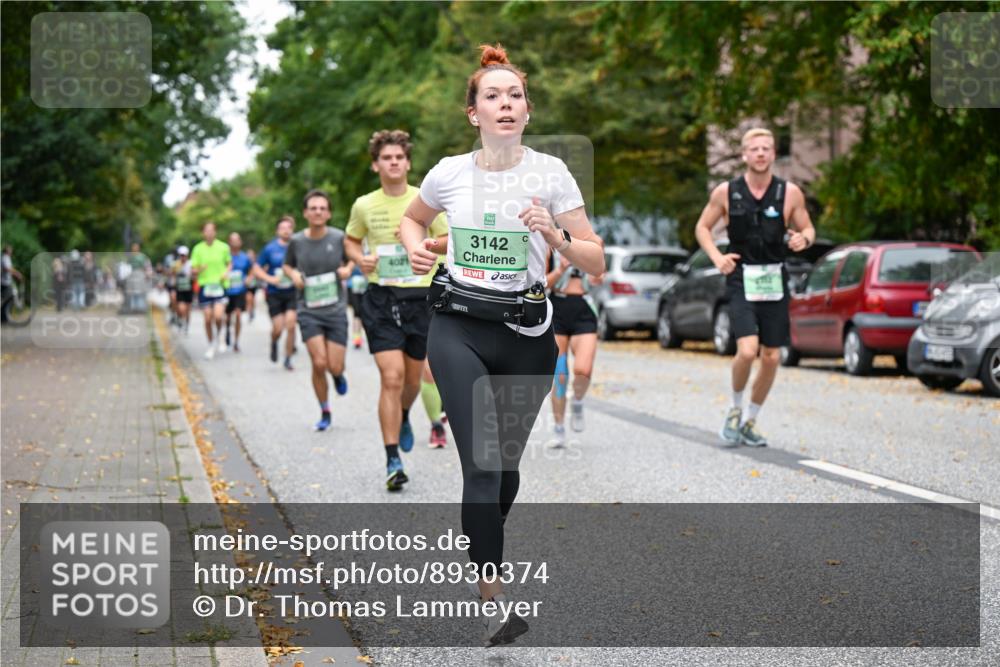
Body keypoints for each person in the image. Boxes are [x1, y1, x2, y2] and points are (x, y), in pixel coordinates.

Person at [399, 44, 604, 646]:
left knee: (505, 473)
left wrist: (556, 234)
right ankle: (494, 599)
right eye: (493, 95)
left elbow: (593, 258)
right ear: (475, 114)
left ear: (527, 111)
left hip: (527, 336)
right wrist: (416, 243)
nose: (505, 103)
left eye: (514, 95)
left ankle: (480, 528)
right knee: (482, 466)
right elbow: (415, 219)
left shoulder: (551, 174)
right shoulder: (447, 173)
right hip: (457, 326)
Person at [694, 127, 816, 447]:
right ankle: (734, 410)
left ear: (774, 154)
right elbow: (703, 227)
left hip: (775, 279)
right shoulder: (726, 191)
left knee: (772, 356)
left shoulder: (789, 193)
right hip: (741, 277)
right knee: (747, 350)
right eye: (755, 148)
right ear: (745, 155)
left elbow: (807, 228)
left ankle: (750, 420)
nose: (761, 153)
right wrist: (717, 257)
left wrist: (805, 238)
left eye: (766, 148)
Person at [344, 129, 449, 491]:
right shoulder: (364, 205)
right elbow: (351, 239)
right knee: (390, 377)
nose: (393, 163)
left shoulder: (425, 198)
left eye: (399, 158)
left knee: (413, 380)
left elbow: (448, 240)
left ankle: (404, 413)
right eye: (386, 158)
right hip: (381, 298)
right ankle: (392, 459)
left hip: (421, 299)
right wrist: (361, 259)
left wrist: (425, 247)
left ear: (407, 162)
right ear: (376, 165)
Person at [283, 190, 353, 431]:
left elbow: (352, 258)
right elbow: (286, 265)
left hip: (335, 310)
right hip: (308, 310)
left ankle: (338, 375)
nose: (318, 212)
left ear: (329, 212)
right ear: (305, 213)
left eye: (322, 208)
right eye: (313, 208)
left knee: (334, 366)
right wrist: (293, 275)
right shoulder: (296, 241)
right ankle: (325, 410)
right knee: (319, 362)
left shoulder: (338, 237)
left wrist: (348, 269)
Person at [545, 249, 603, 448]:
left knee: (583, 371)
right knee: (560, 376)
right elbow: (543, 283)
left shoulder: (593, 242)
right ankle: (559, 428)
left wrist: (596, 275)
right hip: (557, 309)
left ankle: (577, 400)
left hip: (584, 310)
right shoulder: (549, 246)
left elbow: (599, 276)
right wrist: (560, 269)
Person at [254, 217, 299, 370]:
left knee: (291, 325)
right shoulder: (269, 249)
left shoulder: (298, 246)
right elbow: (257, 268)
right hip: (274, 293)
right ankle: (274, 341)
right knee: (278, 328)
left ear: (292, 230)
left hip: (292, 292)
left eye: (289, 227)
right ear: (277, 231)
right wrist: (270, 279)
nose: (286, 230)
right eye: (283, 228)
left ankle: (288, 358)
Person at [190, 222, 232, 359]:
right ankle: (210, 343)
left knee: (218, 316)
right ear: (203, 233)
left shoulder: (223, 247)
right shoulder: (197, 249)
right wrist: (199, 269)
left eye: (211, 230)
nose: (209, 233)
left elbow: (229, 263)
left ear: (215, 232)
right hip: (205, 287)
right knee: (208, 318)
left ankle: (220, 334)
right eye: (206, 230)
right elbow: (193, 269)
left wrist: (226, 272)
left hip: (219, 285)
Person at [224, 232, 253, 352]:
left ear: (240, 242)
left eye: (237, 240)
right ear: (229, 242)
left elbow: (252, 270)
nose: (235, 242)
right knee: (227, 316)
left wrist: (248, 279)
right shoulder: (225, 256)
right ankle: (226, 331)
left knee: (238, 315)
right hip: (227, 290)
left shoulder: (245, 257)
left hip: (240, 290)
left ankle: (236, 341)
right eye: (233, 240)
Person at [172, 246, 194, 334]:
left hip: (189, 289)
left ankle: (186, 325)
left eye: (184, 255)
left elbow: (194, 276)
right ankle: (181, 320)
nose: (183, 257)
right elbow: (173, 275)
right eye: (181, 255)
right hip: (179, 289)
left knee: (188, 309)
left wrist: (191, 276)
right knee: (181, 308)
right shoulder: (176, 264)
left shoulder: (191, 264)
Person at [346, 265, 367, 349]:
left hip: (366, 284)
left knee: (365, 312)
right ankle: (357, 339)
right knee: (357, 313)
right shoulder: (351, 252)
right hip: (353, 285)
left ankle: (363, 337)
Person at [1, 245, 24, 322]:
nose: (11, 251)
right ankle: (4, 317)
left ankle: (5, 317)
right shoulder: (5, 258)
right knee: (8, 299)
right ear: (7, 250)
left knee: (7, 299)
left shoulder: (5, 258)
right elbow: (7, 268)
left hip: (6, 281)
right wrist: (17, 273)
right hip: (5, 282)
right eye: (10, 250)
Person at [245, 248, 259, 322]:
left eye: (251, 254)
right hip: (247, 284)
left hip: (254, 284)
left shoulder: (256, 263)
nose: (250, 256)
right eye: (248, 254)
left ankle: (252, 310)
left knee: (253, 298)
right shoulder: (245, 263)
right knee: (248, 298)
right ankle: (250, 311)